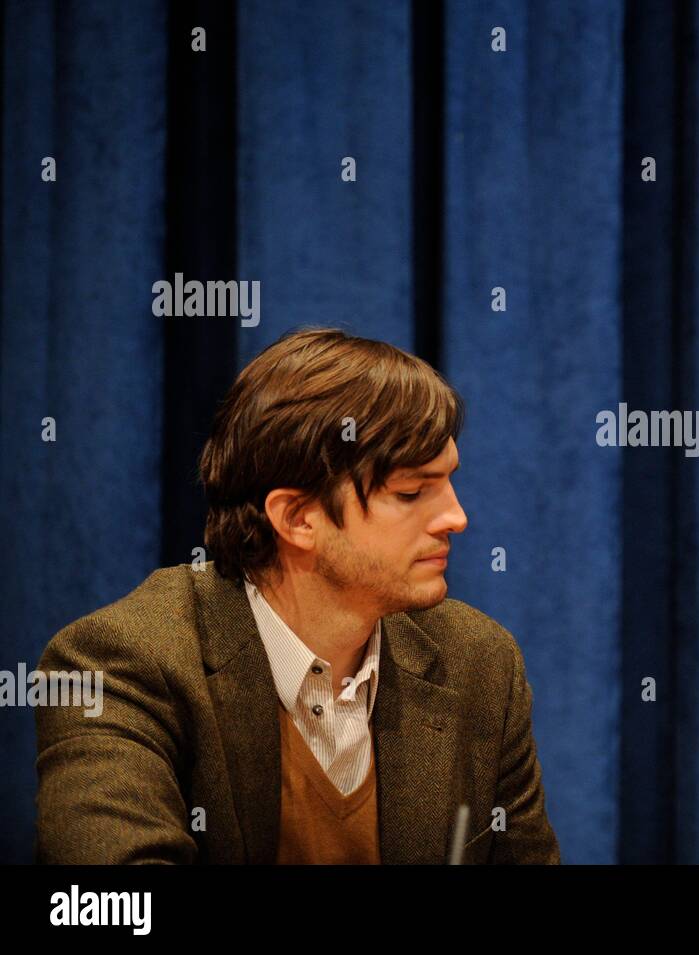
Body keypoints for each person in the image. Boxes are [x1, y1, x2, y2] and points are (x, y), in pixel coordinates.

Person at [35, 327, 561, 864]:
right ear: (297, 518)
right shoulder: (118, 664)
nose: (457, 517)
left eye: (448, 482)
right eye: (410, 492)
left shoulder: (480, 662)